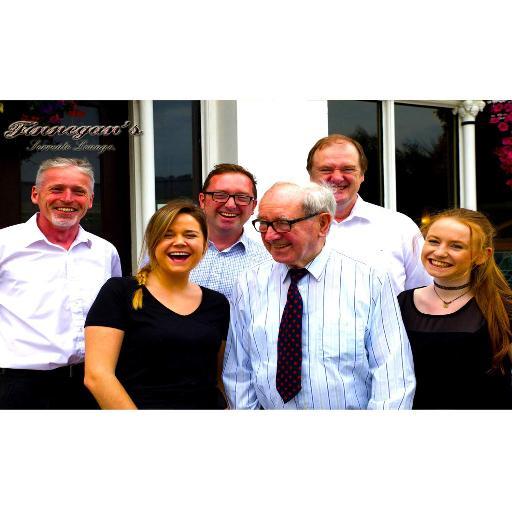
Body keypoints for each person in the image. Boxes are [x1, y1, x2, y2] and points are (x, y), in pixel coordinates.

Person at [223, 181, 415, 409]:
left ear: (322, 224)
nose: (271, 235)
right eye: (264, 224)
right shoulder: (248, 284)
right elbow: (239, 373)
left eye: (283, 224)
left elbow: (392, 376)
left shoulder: (370, 282)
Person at [0, 157, 121, 409]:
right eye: (56, 189)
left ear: (90, 200)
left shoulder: (104, 252)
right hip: (17, 385)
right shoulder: (4, 245)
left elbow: (113, 318)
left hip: (88, 383)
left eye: (79, 191)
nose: (67, 199)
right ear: (35, 194)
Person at [84, 199, 230, 409]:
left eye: (190, 235)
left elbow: (217, 378)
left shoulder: (217, 304)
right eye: (167, 235)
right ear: (153, 242)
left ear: (205, 246)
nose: (179, 242)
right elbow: (97, 376)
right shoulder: (119, 292)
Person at [397, 208, 512, 409]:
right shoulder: (401, 303)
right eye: (433, 241)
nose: (440, 252)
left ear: (482, 256)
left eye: (456, 246)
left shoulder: (503, 307)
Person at [307, 134, 431, 295]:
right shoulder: (288, 228)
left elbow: (423, 293)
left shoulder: (400, 228)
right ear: (310, 175)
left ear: (362, 175)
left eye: (348, 169)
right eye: (326, 169)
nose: (337, 177)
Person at [190, 163, 270, 302]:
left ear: (253, 206)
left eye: (242, 197)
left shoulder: (268, 262)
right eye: (220, 195)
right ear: (202, 201)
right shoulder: (173, 254)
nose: (231, 205)